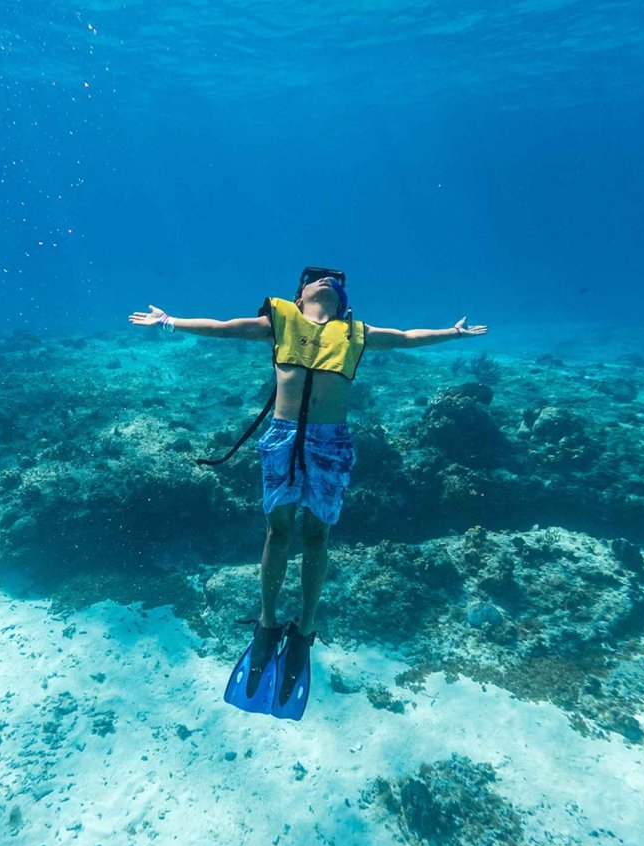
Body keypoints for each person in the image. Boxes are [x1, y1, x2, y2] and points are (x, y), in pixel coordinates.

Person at [129, 268, 487, 720]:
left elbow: (406, 337)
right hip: (282, 438)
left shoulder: (356, 333)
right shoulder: (278, 322)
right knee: (278, 534)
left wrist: (451, 335)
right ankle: (266, 623)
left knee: (317, 537)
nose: (326, 281)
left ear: (344, 303)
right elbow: (223, 328)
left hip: (331, 442)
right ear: (298, 298)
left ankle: (305, 630)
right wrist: (169, 322)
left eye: (334, 283)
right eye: (316, 279)